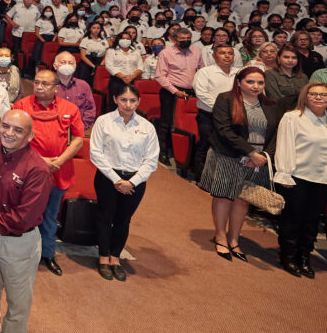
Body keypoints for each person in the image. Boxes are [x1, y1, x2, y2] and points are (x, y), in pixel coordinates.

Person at [0, 110, 51, 333]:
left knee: (18, 301)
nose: (9, 133)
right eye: (6, 126)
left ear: (30, 136)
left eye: (18, 130)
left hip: (18, 243)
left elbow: (24, 218)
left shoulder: (38, 169)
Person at [199, 67, 281, 262]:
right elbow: (224, 130)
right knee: (224, 197)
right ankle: (220, 236)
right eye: (250, 82)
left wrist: (262, 156)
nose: (256, 86)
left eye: (260, 83)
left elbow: (276, 134)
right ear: (239, 82)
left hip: (257, 160)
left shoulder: (270, 104)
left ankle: (234, 239)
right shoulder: (225, 99)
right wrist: (250, 152)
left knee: (243, 199)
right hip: (229, 155)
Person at [12, 68, 84, 276]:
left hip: (58, 170)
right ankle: (21, 255)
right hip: (27, 169)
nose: (39, 87)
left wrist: (59, 160)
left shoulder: (69, 108)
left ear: (56, 87)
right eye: (36, 83)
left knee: (50, 215)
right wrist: (40, 161)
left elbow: (78, 139)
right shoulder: (22, 105)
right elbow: (13, 137)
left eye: (45, 84)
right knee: (24, 213)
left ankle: (47, 254)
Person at [88, 84, 159, 281]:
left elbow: (151, 160)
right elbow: (96, 153)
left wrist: (132, 182)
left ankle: (115, 257)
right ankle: (103, 256)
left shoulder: (147, 127)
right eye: (123, 100)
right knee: (105, 216)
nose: (128, 105)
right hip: (108, 177)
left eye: (132, 101)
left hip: (135, 181)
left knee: (123, 219)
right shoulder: (104, 122)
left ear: (139, 102)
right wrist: (117, 180)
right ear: (115, 100)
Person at [273, 82, 327, 278]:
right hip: (297, 177)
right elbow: (284, 146)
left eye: (323, 94)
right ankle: (288, 257)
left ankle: (304, 257)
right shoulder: (293, 118)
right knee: (292, 220)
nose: (319, 98)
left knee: (312, 221)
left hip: (322, 179)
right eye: (314, 94)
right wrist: (284, 173)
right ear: (306, 96)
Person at [154, 27, 202, 162]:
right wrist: (175, 91)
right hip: (171, 92)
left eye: (188, 39)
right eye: (182, 39)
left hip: (191, 93)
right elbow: (160, 76)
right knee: (167, 122)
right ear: (175, 39)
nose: (186, 41)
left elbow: (201, 70)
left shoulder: (196, 51)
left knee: (187, 124)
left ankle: (184, 155)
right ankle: (163, 152)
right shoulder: (166, 53)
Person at [192, 45, 240, 177]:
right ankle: (200, 176)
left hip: (233, 116)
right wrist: (222, 110)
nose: (227, 56)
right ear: (214, 56)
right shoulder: (204, 72)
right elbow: (201, 93)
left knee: (228, 145)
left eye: (230, 53)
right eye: (223, 53)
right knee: (206, 145)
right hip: (209, 116)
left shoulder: (239, 73)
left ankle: (222, 176)